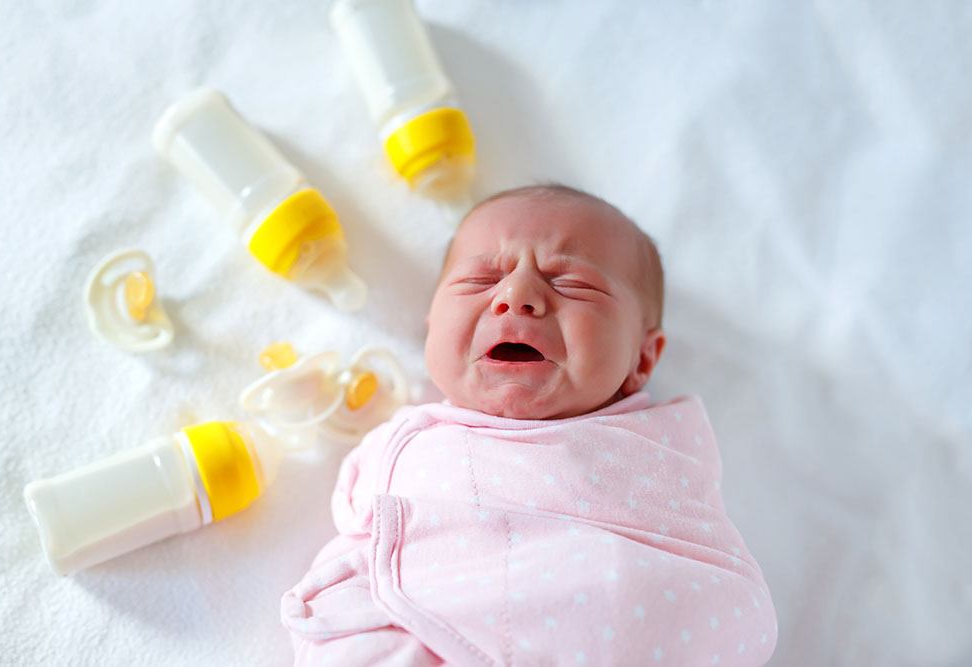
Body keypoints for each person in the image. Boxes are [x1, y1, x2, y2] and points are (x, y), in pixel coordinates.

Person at [281, 185, 777, 666]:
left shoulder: (660, 458)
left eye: (572, 283)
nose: (517, 295)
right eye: (480, 280)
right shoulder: (416, 444)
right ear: (432, 326)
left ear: (643, 358)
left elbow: (695, 590)